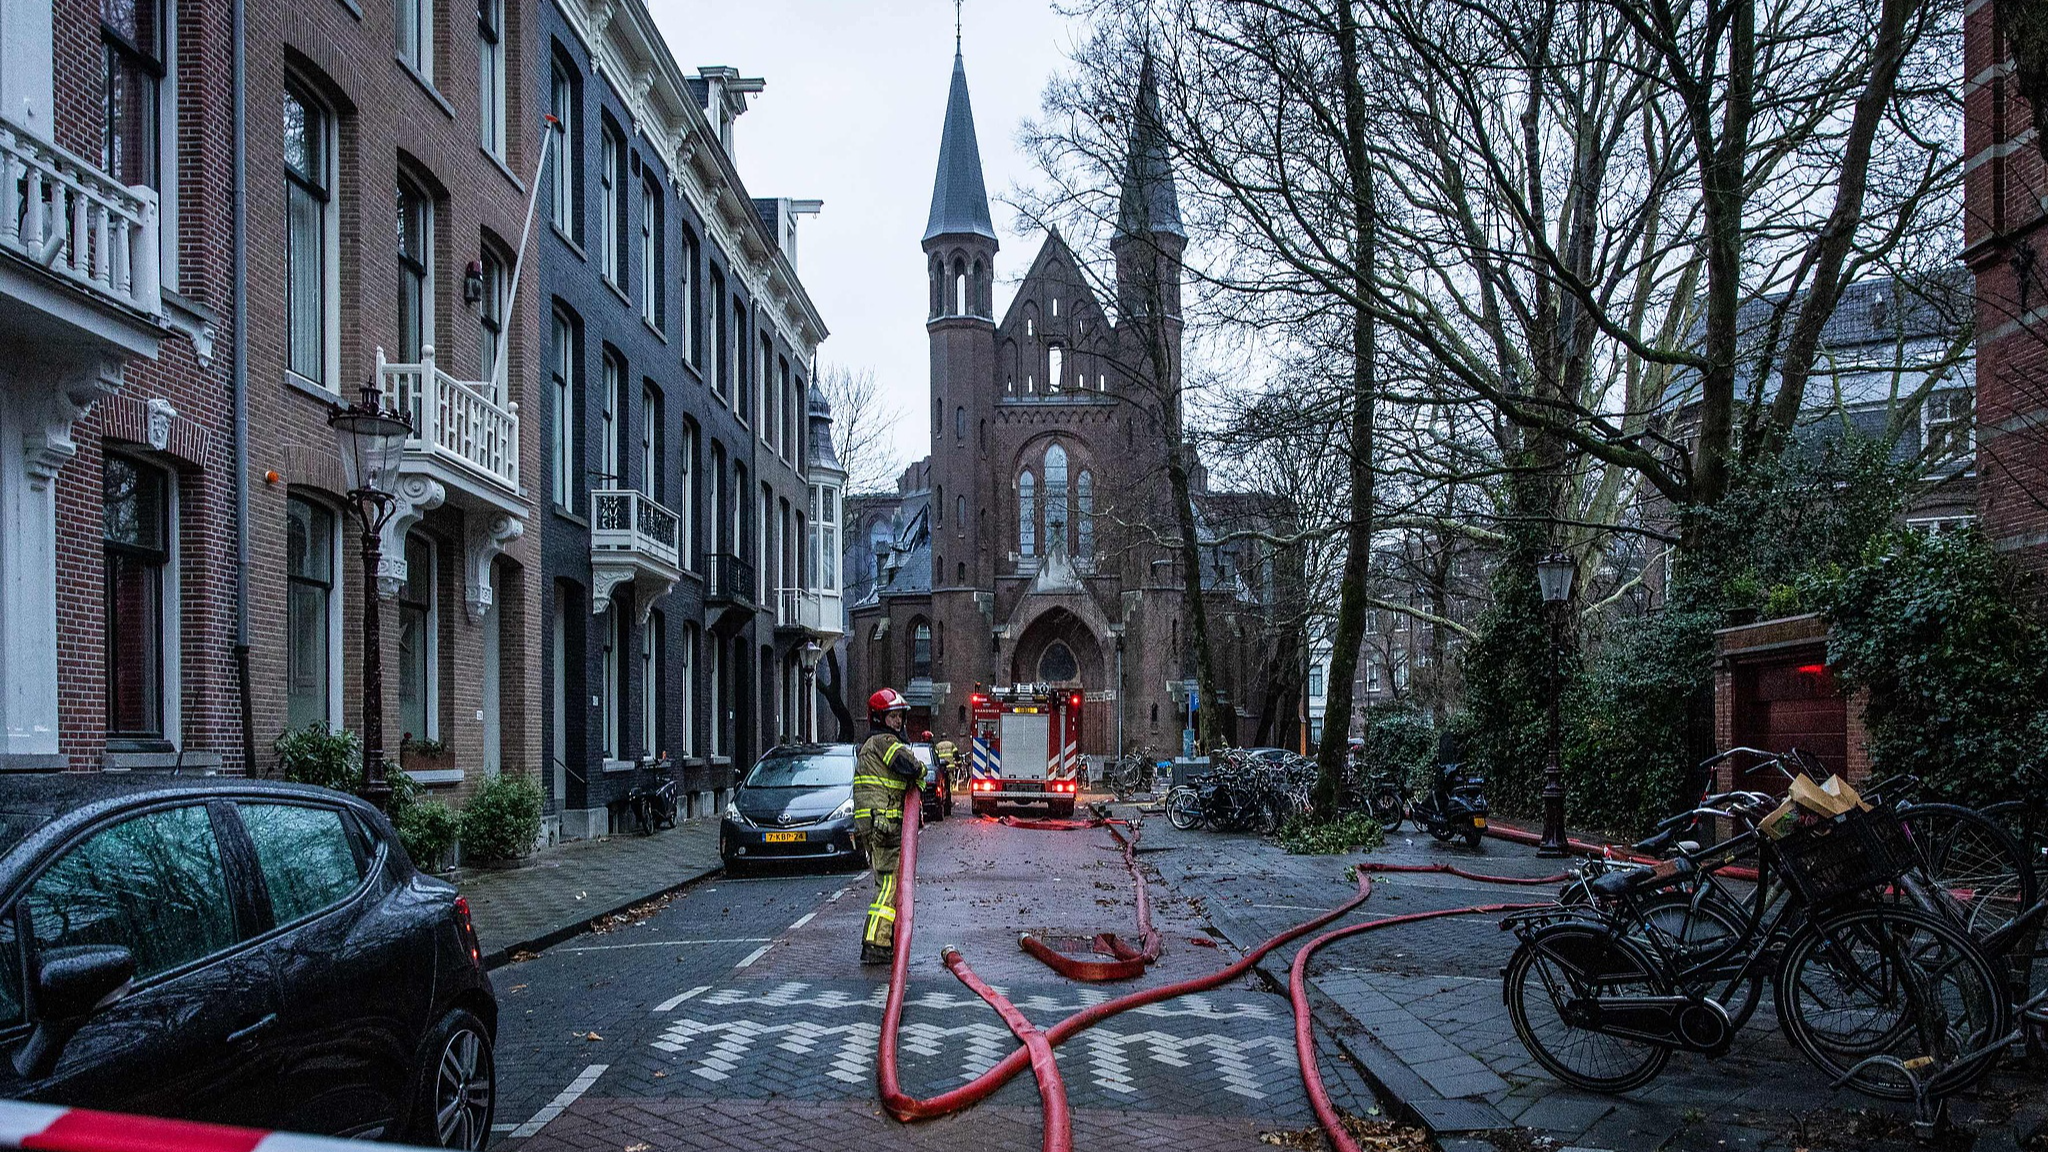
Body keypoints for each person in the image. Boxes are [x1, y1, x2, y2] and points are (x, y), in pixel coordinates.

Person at [854, 688, 922, 965]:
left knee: (888, 883)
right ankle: (876, 943)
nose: (898, 722)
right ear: (879, 718)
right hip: (885, 824)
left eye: (900, 717)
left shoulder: (871, 746)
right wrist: (921, 771)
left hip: (878, 823)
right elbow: (909, 765)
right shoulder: (884, 741)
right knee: (888, 885)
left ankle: (884, 939)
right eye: (892, 716)